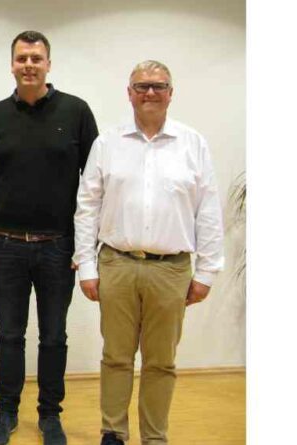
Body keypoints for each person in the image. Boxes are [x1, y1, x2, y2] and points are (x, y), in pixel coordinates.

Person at [73, 60, 224, 445]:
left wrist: (207, 272)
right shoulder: (107, 143)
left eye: (159, 86)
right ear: (129, 93)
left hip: (171, 270)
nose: (150, 92)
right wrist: (87, 266)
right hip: (116, 265)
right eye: (141, 85)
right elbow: (87, 205)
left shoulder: (193, 144)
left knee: (160, 362)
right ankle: (113, 432)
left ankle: (155, 437)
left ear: (171, 93)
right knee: (116, 358)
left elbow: (207, 209)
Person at [0, 31, 98, 445]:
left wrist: (88, 250)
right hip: (6, 245)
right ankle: (6, 411)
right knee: (9, 335)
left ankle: (50, 414)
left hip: (58, 247)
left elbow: (94, 186)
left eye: (36, 57)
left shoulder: (77, 111)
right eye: (21, 58)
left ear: (49, 63)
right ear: (11, 64)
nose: (28, 64)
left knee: (53, 335)